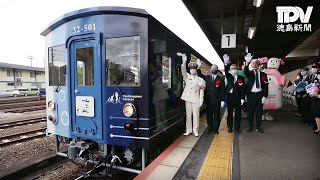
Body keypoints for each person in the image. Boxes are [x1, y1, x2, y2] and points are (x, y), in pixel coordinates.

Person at [180, 54, 205, 137]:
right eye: (191, 69)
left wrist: (201, 100)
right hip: (188, 98)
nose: (192, 71)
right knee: (188, 115)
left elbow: (201, 91)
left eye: (193, 69)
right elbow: (183, 71)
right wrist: (184, 62)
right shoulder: (187, 76)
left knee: (196, 115)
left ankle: (195, 130)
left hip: (196, 99)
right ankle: (188, 130)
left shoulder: (201, 80)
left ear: (196, 70)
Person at [197, 60, 225, 134]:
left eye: (215, 68)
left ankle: (216, 129)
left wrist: (222, 100)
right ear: (210, 69)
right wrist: (199, 67)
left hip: (217, 100)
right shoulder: (207, 78)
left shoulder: (221, 79)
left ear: (217, 69)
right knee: (209, 115)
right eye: (212, 68)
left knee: (216, 115)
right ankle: (210, 128)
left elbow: (222, 90)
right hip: (208, 100)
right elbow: (199, 74)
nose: (213, 70)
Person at [243, 53, 268, 133]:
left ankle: (258, 127)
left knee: (259, 112)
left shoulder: (264, 74)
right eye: (252, 63)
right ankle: (250, 126)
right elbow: (245, 72)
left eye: (255, 63)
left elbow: (266, 86)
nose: (254, 65)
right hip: (251, 95)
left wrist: (265, 96)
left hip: (260, 95)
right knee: (250, 112)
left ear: (259, 65)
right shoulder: (250, 73)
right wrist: (247, 63)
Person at [223, 54, 245, 134]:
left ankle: (237, 128)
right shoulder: (229, 76)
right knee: (230, 113)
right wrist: (225, 64)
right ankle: (230, 127)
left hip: (238, 97)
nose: (234, 70)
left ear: (237, 69)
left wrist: (242, 98)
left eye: (235, 68)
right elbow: (225, 71)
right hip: (230, 97)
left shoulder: (240, 78)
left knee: (238, 114)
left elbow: (243, 88)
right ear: (230, 70)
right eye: (232, 69)